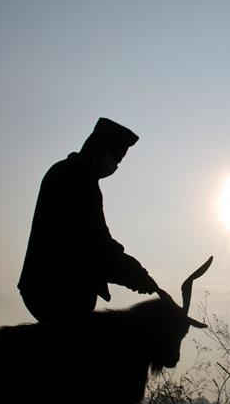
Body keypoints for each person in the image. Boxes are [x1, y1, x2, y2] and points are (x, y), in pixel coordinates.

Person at [18, 117, 158, 323]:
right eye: (114, 158)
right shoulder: (78, 178)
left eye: (118, 161)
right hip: (59, 289)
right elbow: (96, 243)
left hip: (43, 285)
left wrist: (131, 273)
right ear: (98, 148)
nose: (115, 165)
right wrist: (135, 275)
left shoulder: (65, 171)